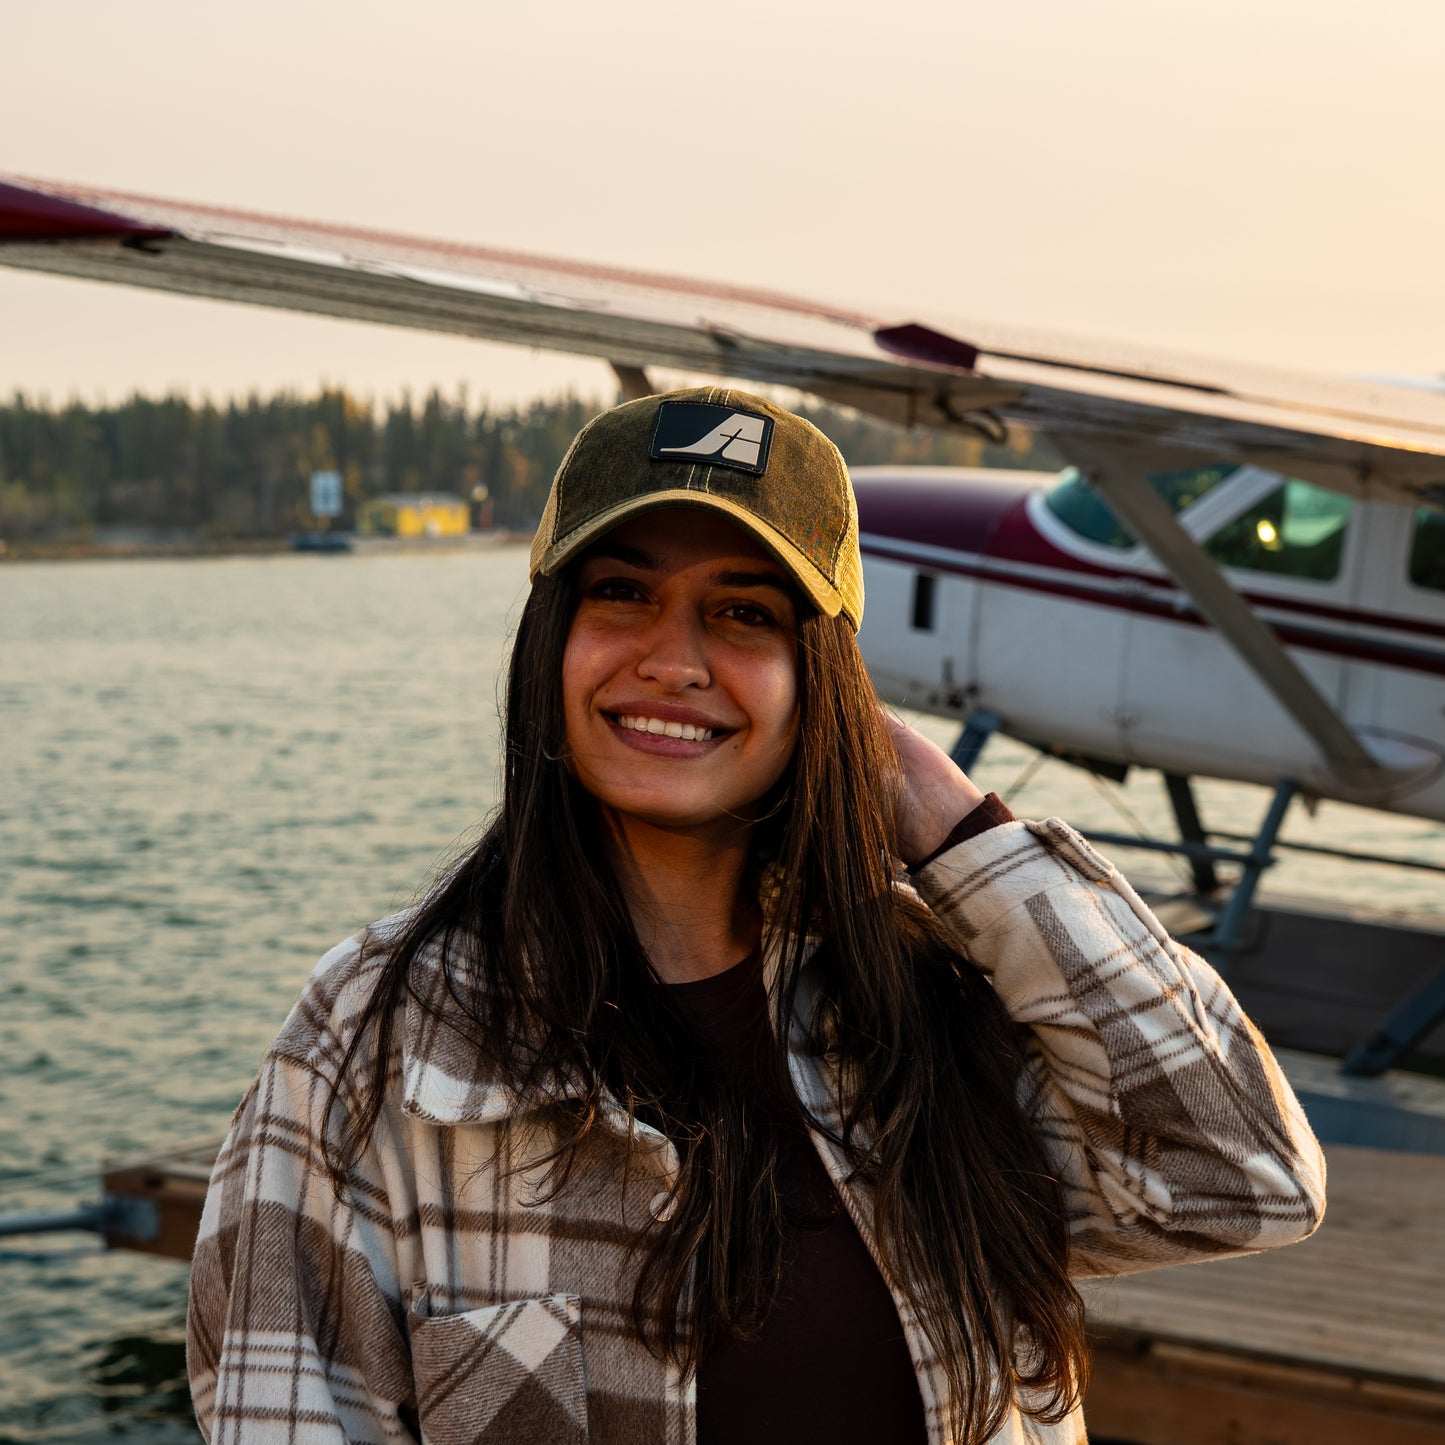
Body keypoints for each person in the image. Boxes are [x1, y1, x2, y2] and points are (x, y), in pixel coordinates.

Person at [186, 387, 1325, 1445]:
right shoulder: (377, 1025)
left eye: (743, 612)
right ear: (550, 641)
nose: (673, 659)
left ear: (818, 679)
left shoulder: (930, 1002)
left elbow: (1244, 1180)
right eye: (621, 592)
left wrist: (956, 829)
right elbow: (276, 1406)